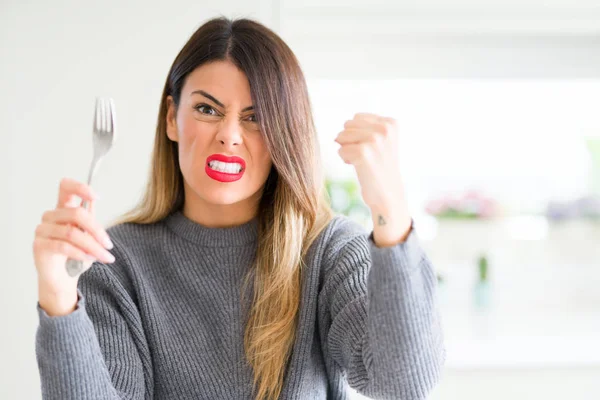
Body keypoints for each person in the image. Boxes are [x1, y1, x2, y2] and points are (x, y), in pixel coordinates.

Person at [33, 17, 445, 400]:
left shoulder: (330, 251)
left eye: (255, 117)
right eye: (207, 110)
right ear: (172, 118)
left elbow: (403, 384)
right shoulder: (113, 262)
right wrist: (58, 295)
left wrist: (391, 211)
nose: (229, 136)